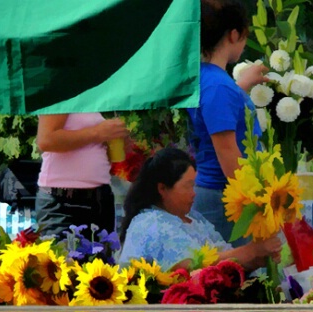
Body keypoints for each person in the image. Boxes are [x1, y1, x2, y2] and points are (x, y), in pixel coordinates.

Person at [117, 147, 280, 271]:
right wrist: (250, 251)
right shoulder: (150, 223)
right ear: (162, 188)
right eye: (188, 186)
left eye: (194, 186)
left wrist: (256, 259)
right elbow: (188, 267)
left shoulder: (194, 219)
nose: (194, 194)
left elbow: (224, 258)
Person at [188, 0, 268, 244]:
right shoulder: (218, 87)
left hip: (219, 193)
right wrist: (258, 201)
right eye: (244, 36)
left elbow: (219, 112)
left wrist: (242, 84)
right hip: (225, 197)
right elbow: (227, 152)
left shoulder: (207, 79)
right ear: (234, 35)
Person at [35, 113, 129, 238]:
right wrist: (97, 133)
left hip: (100, 199)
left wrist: (113, 141)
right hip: (64, 203)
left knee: (101, 257)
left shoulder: (88, 102)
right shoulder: (60, 94)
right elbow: (46, 140)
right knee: (64, 257)